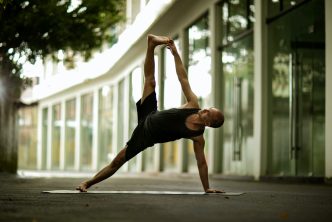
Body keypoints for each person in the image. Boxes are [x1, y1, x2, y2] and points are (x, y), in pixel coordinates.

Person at [76, 34, 224, 193]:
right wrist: (175, 54)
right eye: (209, 108)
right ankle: (151, 44)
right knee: (150, 81)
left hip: (145, 136)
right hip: (150, 113)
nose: (205, 109)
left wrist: (207, 187)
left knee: (118, 161)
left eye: (209, 113)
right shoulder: (193, 104)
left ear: (208, 123)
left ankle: (87, 183)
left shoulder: (197, 137)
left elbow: (201, 163)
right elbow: (183, 78)